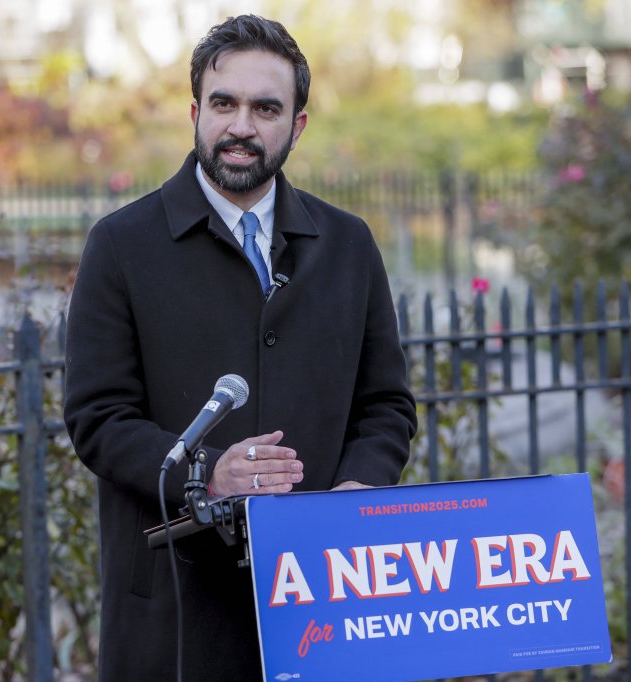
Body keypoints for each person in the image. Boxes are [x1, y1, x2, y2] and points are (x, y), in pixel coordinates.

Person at [64, 14, 417, 682]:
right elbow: (98, 421)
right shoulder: (120, 245)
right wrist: (208, 472)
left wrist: (359, 490)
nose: (241, 127)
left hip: (323, 602)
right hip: (176, 615)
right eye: (224, 104)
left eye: (266, 108)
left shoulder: (349, 245)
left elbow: (387, 406)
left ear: (298, 125)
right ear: (196, 111)